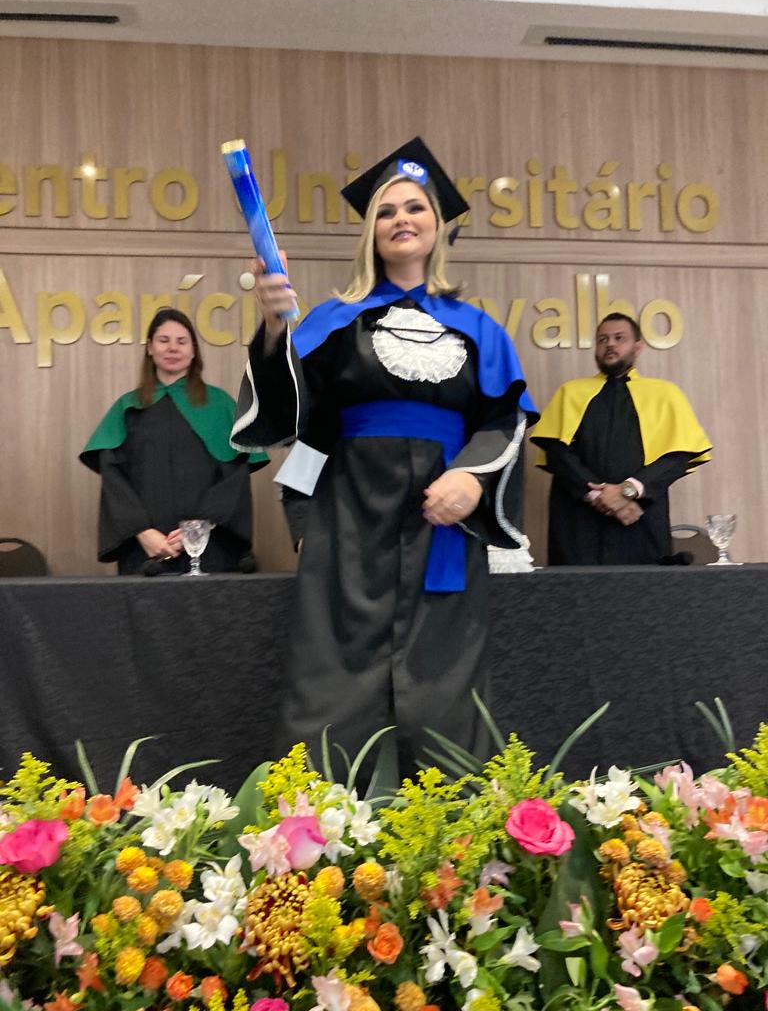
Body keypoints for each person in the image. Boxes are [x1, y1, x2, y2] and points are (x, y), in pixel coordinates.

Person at [230, 137, 538, 779]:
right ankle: (318, 829)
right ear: (371, 231)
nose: (402, 219)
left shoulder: (479, 328)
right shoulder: (332, 321)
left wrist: (473, 479)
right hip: (350, 519)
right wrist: (275, 328)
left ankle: (454, 827)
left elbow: (505, 419)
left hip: (442, 522)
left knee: (446, 681)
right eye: (388, 211)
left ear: (438, 225)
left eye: (415, 208)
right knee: (331, 679)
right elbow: (295, 419)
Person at [81, 308, 268, 574]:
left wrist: (199, 528)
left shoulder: (219, 405)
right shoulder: (128, 407)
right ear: (150, 348)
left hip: (210, 547)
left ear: (193, 351)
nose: (173, 348)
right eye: (163, 340)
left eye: (182, 341)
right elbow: (114, 479)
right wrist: (142, 532)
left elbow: (235, 476)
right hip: (146, 552)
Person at [530, 312, 712, 566]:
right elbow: (556, 453)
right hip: (578, 523)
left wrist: (628, 491)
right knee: (574, 590)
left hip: (639, 517)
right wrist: (598, 496)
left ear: (638, 347)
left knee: (644, 589)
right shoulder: (570, 392)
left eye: (619, 338)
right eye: (603, 339)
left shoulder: (665, 394)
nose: (610, 344)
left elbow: (678, 457)